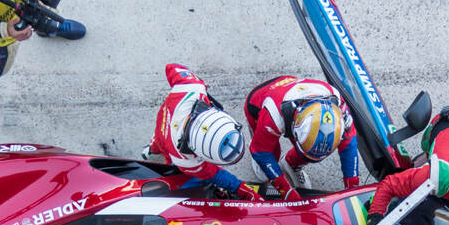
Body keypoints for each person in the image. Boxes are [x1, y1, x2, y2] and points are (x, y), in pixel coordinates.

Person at [143, 63, 262, 201]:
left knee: (157, 143)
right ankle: (152, 148)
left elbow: (171, 66)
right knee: (176, 175)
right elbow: (215, 175)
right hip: (166, 144)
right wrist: (241, 188)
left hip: (162, 127)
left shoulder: (191, 87)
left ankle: (150, 149)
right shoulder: (185, 162)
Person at [245, 75, 360, 200]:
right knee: (265, 171)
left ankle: (291, 164)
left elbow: (349, 146)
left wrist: (353, 189)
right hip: (257, 101)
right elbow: (262, 153)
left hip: (294, 94)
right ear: (295, 126)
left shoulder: (339, 105)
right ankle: (255, 138)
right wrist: (286, 191)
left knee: (312, 151)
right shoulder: (274, 114)